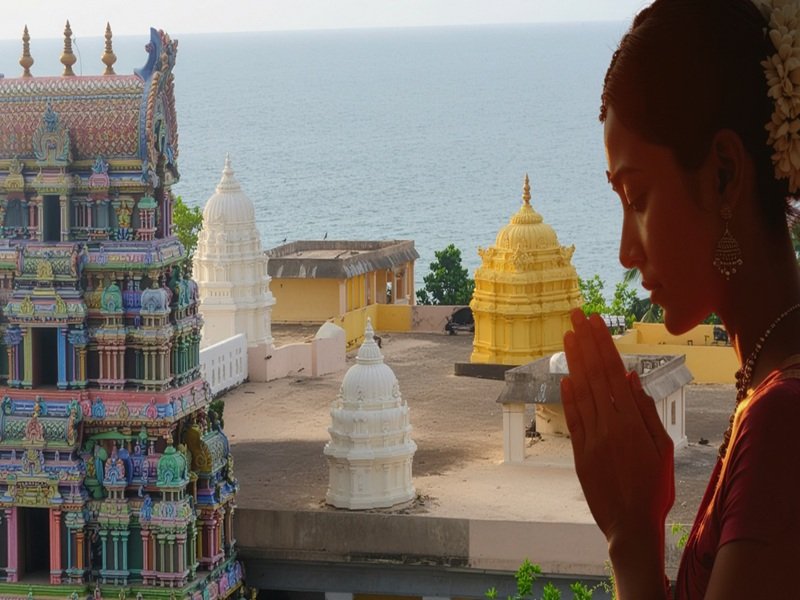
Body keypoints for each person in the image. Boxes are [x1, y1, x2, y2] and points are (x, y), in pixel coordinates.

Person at [559, 0, 800, 598]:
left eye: (637, 197)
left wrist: (632, 537)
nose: (625, 251)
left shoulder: (783, 421)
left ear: (723, 173)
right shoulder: (764, 390)